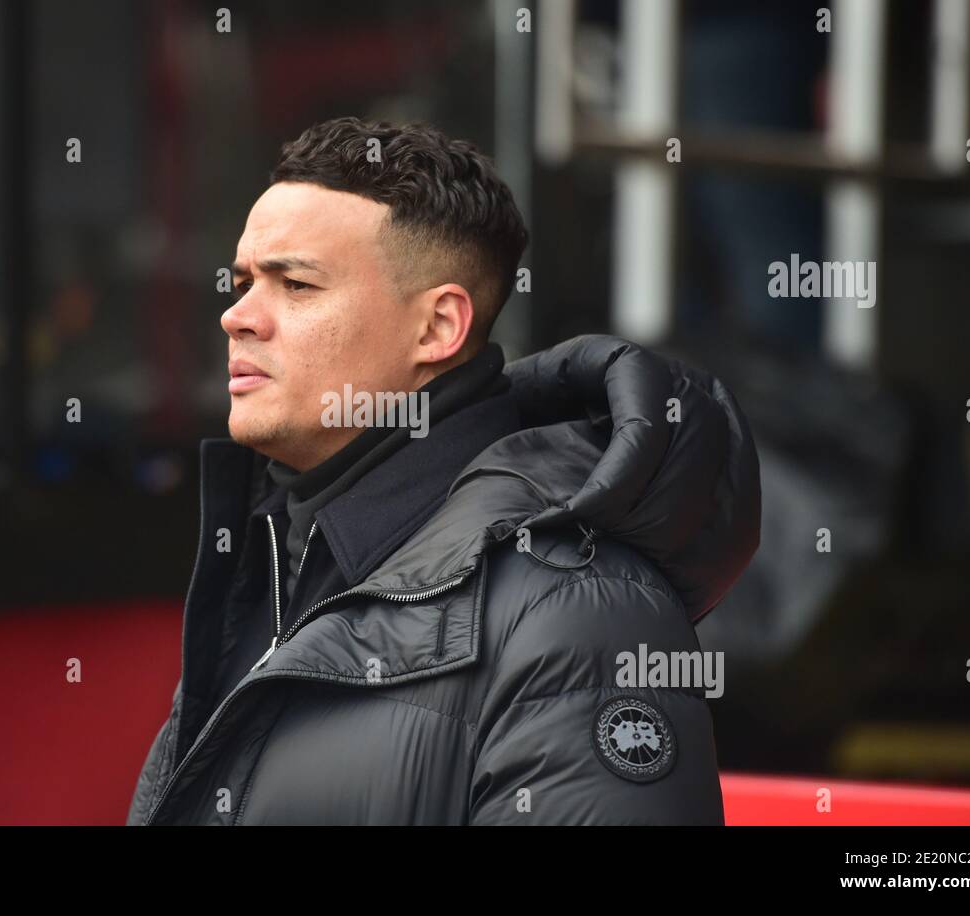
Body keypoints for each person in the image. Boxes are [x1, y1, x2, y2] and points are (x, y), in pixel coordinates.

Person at [126, 116, 760, 825]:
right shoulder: (271, 561)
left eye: (295, 286)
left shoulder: (578, 612)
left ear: (437, 328)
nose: (237, 318)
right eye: (242, 283)